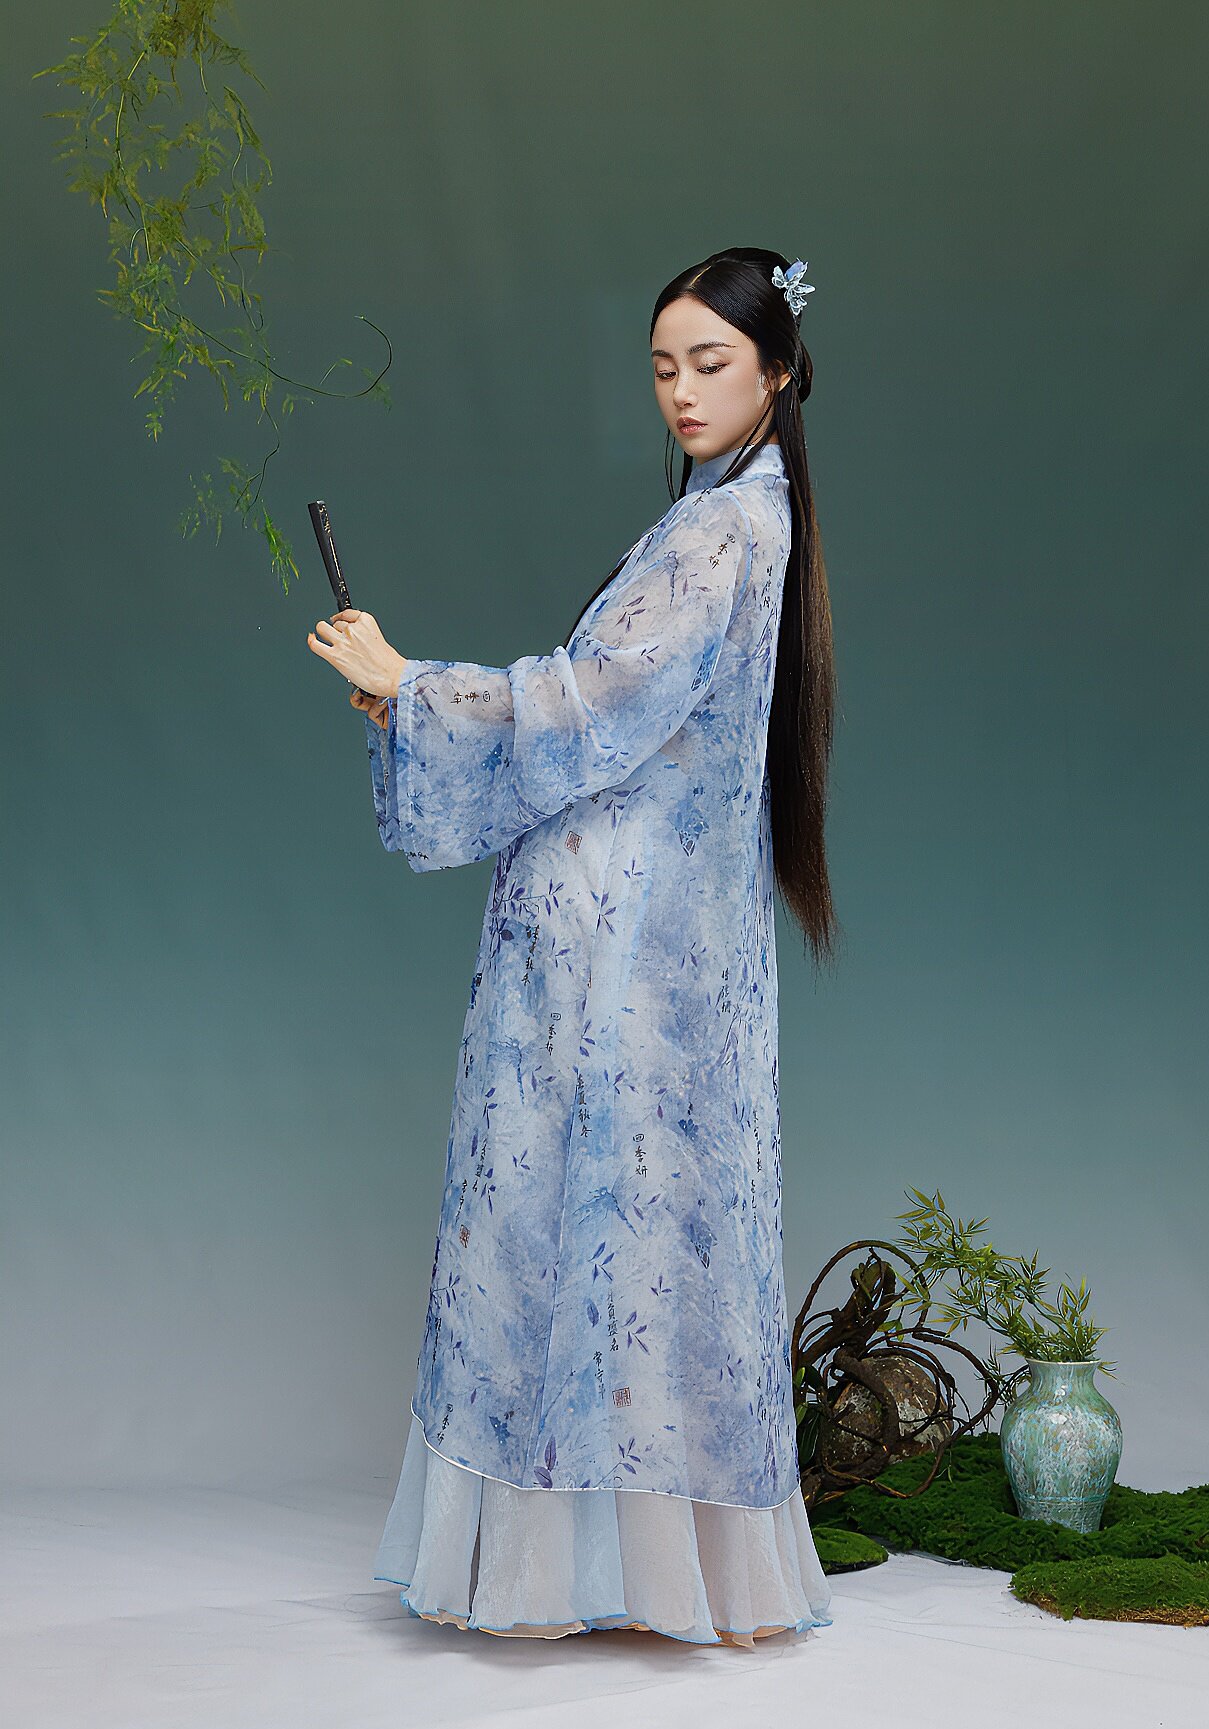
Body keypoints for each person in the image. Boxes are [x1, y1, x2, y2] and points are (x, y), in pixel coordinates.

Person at [307, 248, 841, 1647]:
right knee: (652, 1231)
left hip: (620, 949)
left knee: (574, 1222)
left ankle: (564, 1572)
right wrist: (411, 704)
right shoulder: (748, 518)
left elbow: (597, 696)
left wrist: (412, 684)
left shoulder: (722, 531)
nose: (682, 391)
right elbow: (619, 714)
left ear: (780, 372)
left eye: (711, 363)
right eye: (663, 367)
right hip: (661, 934)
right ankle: (674, 1573)